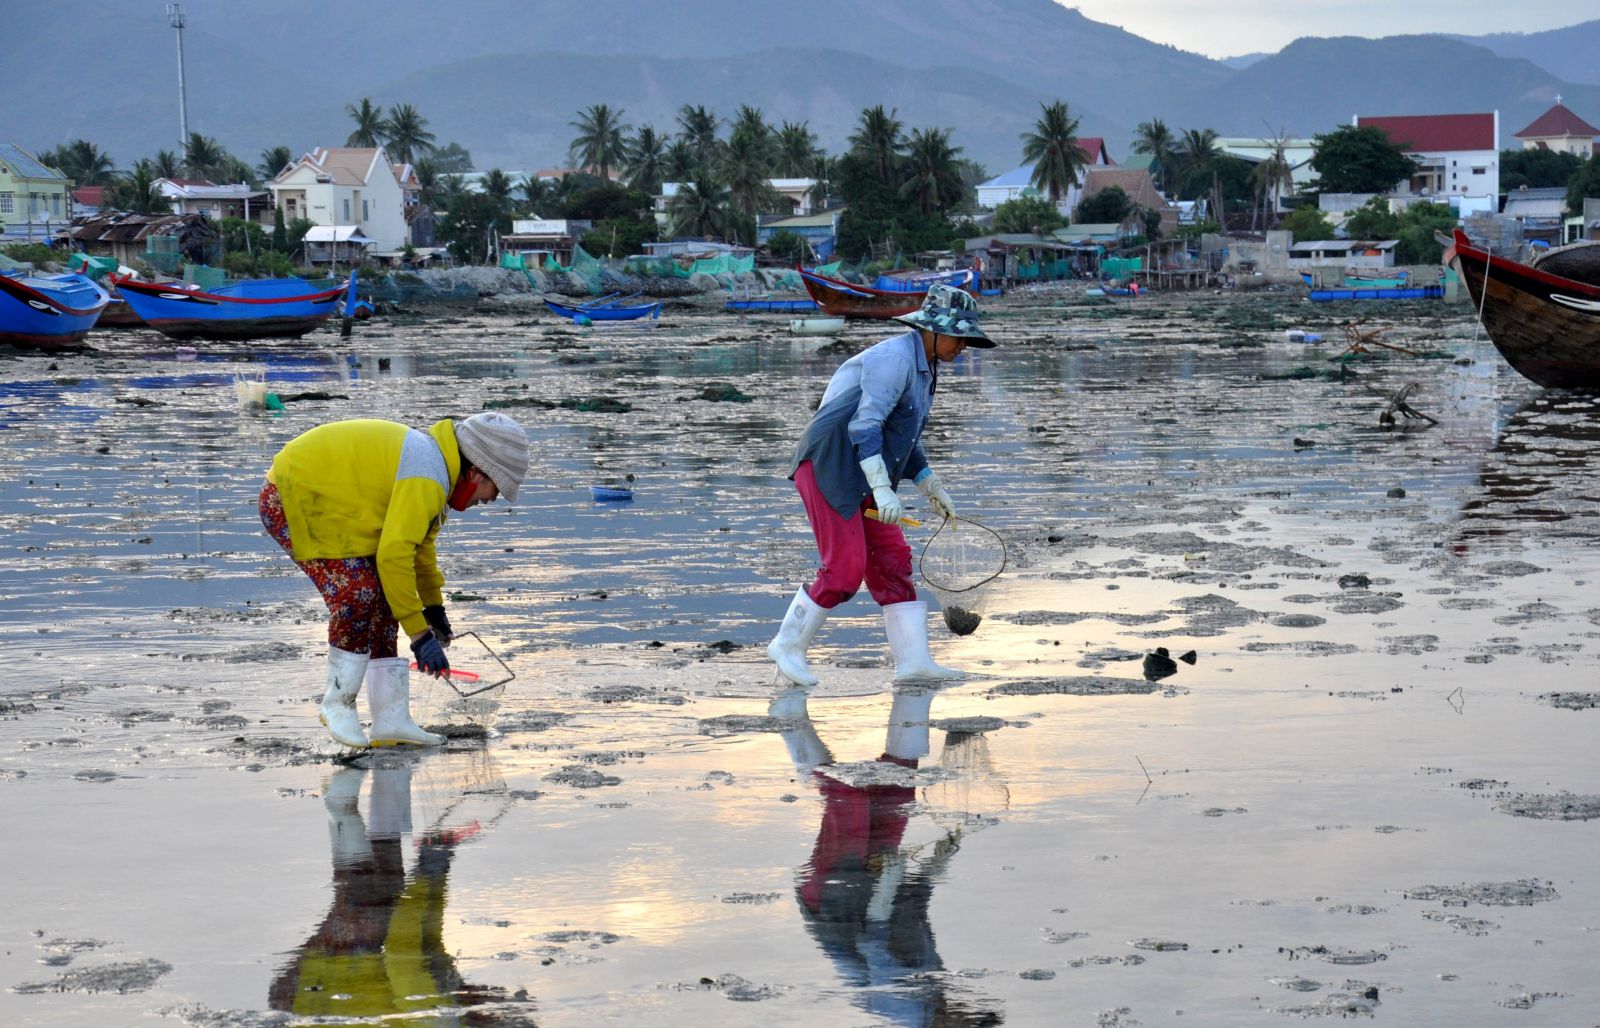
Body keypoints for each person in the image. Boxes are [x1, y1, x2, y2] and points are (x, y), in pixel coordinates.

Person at [767, 283, 994, 687]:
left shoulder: (926, 369)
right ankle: (788, 646)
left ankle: (914, 663)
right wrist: (883, 490)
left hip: (867, 466)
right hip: (830, 463)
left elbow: (904, 434)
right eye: (959, 337)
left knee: (892, 558)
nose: (963, 346)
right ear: (932, 330)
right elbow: (865, 425)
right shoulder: (894, 359)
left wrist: (929, 483)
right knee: (844, 569)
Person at [259, 412, 529, 748]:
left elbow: (420, 547)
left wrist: (433, 608)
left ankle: (390, 720)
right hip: (294, 493)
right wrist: (419, 636)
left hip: (338, 505)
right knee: (357, 594)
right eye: (495, 488)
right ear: (475, 471)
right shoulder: (428, 477)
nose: (490, 499)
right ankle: (337, 703)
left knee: (386, 598)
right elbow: (394, 556)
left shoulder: (437, 474)